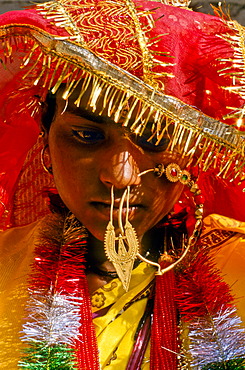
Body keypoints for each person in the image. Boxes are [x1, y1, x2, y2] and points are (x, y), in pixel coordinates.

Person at [0, 0, 245, 369]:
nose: (121, 176)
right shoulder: (5, 267)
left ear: (192, 150)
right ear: (45, 143)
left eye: (156, 138)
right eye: (86, 135)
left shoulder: (236, 268)